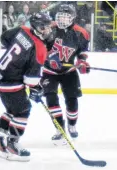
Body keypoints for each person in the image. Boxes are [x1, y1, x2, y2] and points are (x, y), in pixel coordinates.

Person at [0, 12, 52, 162]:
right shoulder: (40, 48)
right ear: (36, 27)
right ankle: (12, 145)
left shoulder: (22, 29)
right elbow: (30, 80)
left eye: (48, 27)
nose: (47, 30)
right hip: (10, 81)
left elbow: (4, 38)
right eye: (44, 27)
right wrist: (37, 88)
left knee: (12, 110)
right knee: (23, 110)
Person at [41, 4, 91, 145]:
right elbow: (40, 46)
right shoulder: (50, 28)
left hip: (68, 71)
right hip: (49, 70)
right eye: (60, 15)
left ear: (73, 17)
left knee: (72, 99)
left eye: (65, 16)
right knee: (51, 98)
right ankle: (59, 128)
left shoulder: (81, 33)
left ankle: (72, 124)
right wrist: (49, 57)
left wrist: (82, 62)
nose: (62, 19)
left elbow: (82, 51)